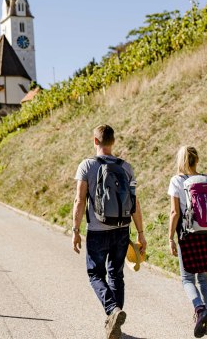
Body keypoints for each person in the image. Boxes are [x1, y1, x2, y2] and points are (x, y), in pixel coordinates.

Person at [72, 125, 147, 339]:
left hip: (97, 231)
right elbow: (135, 204)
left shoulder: (86, 166)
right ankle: (115, 319)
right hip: (122, 229)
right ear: (113, 142)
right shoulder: (126, 167)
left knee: (95, 273)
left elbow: (79, 201)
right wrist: (141, 233)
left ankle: (113, 311)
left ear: (95, 141)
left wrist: (75, 230)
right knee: (116, 273)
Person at [168, 146, 207, 338]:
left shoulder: (177, 180)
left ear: (181, 160)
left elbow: (175, 213)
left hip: (188, 235)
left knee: (187, 278)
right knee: (203, 278)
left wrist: (170, 237)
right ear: (197, 160)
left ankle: (200, 310)